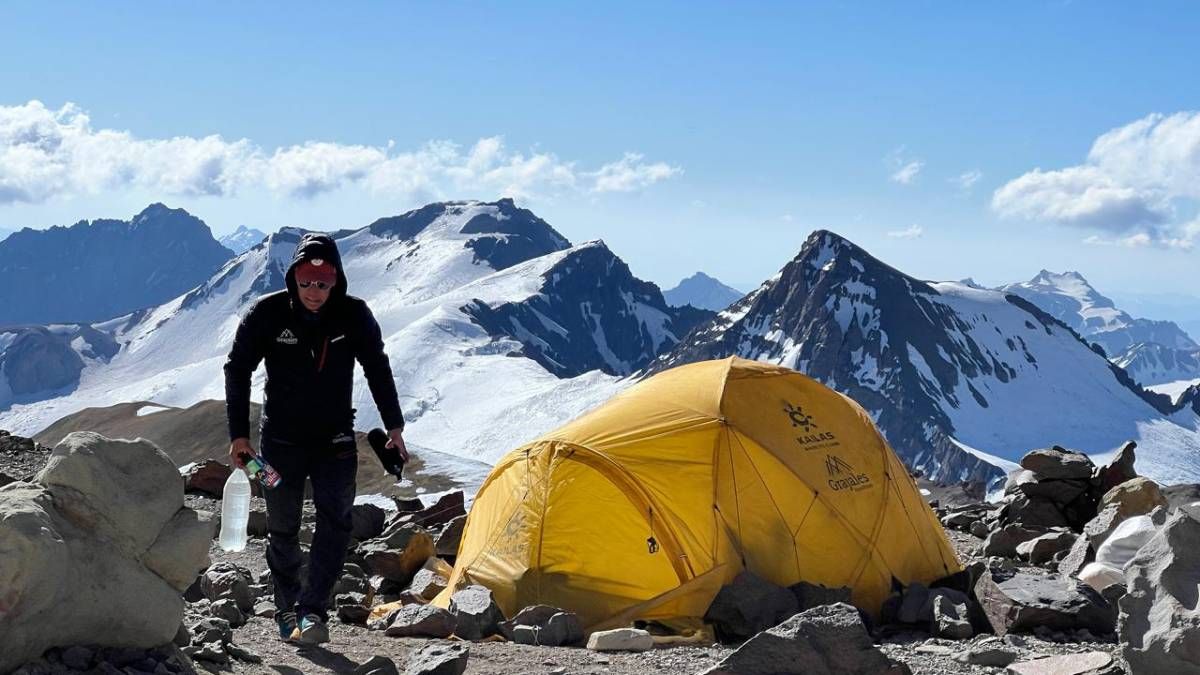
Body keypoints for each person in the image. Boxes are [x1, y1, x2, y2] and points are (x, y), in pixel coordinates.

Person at [223, 233, 408, 645]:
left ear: (336, 282)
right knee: (283, 526)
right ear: (293, 278)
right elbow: (237, 368)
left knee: (336, 523)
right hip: (279, 444)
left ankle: (313, 612)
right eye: (306, 282)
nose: (314, 291)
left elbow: (377, 367)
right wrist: (239, 436)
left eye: (323, 284)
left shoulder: (354, 316)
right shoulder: (267, 314)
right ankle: (287, 610)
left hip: (336, 440)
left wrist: (394, 426)